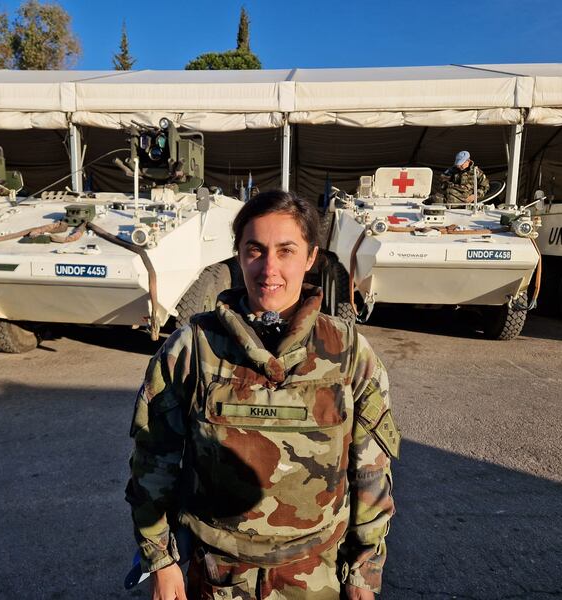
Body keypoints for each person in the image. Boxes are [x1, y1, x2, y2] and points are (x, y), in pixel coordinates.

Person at [126, 190, 399, 600]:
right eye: (255, 250)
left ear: (310, 258)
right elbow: (153, 464)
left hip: (316, 576)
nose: (269, 268)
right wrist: (161, 561)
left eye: (286, 251)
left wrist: (364, 572)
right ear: (238, 255)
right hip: (216, 575)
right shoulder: (192, 348)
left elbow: (370, 471)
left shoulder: (348, 351)